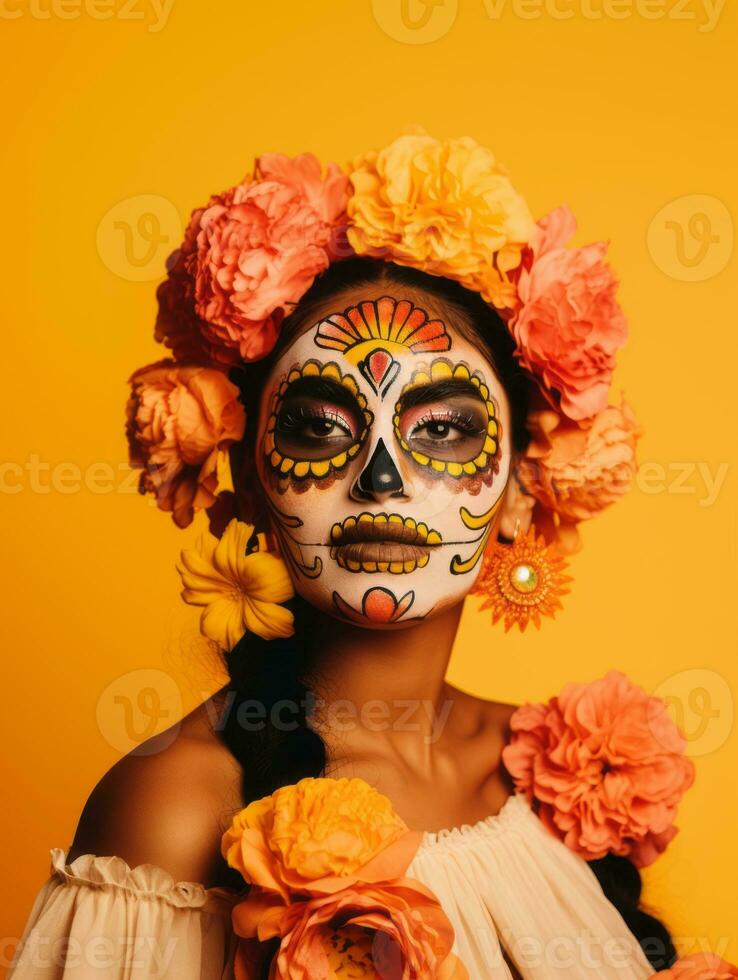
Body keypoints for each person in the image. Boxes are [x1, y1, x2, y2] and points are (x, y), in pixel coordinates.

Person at [10, 135, 729, 979]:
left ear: (522, 491)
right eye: (320, 427)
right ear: (242, 476)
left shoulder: (557, 776)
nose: (382, 478)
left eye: (445, 430)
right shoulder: (172, 807)